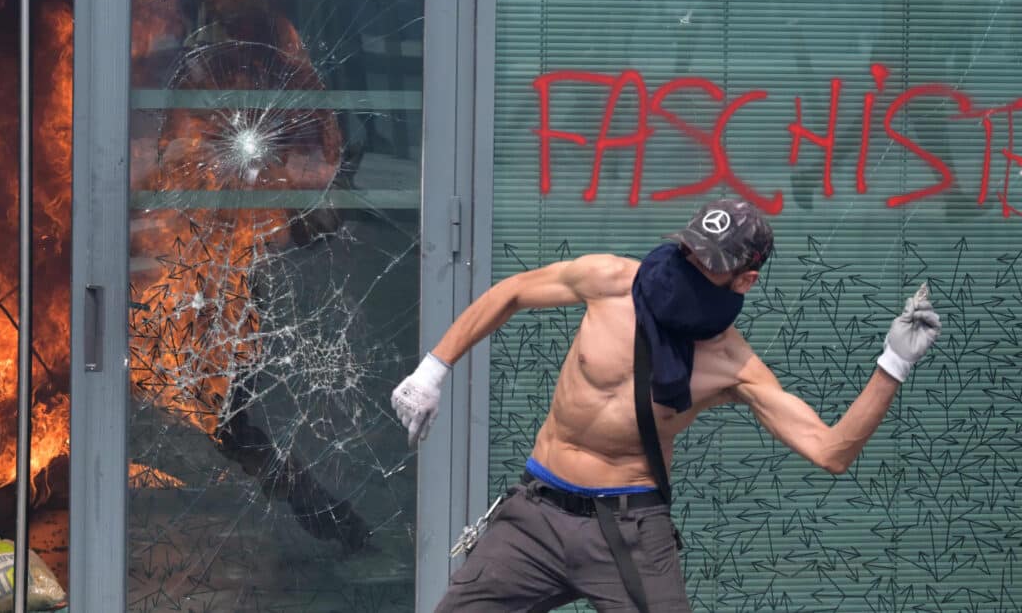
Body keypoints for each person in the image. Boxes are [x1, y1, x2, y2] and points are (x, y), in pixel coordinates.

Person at [391, 198, 941, 612]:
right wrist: (431, 371)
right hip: (536, 514)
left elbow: (830, 451)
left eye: (710, 263)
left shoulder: (731, 363)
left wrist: (892, 363)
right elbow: (510, 291)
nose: (691, 265)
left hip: (630, 532)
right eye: (690, 251)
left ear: (745, 279)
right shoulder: (610, 280)